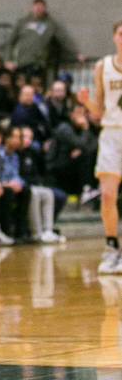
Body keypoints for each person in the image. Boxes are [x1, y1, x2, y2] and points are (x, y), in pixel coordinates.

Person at [79, 21, 122, 274]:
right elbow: (99, 111)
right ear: (114, 37)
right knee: (107, 195)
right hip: (111, 135)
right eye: (120, 33)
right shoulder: (102, 67)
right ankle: (110, 247)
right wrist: (86, 103)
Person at [10, 0, 82, 81]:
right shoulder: (22, 22)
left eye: (41, 7)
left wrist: (76, 53)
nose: (38, 9)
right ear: (32, 7)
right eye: (36, 7)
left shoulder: (51, 24)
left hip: (40, 63)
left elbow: (64, 39)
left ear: (45, 8)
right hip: (22, 62)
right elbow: (10, 42)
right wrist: (8, 60)